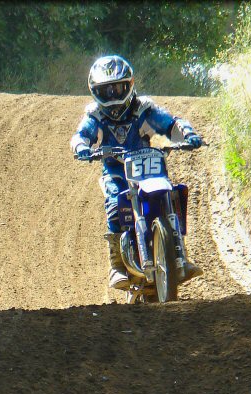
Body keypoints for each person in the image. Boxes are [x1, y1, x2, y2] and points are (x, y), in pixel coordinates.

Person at [71, 54, 204, 290]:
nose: (112, 96)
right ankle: (117, 266)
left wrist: (189, 135)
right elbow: (82, 135)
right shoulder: (95, 116)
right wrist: (82, 147)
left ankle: (179, 256)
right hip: (117, 173)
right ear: (95, 92)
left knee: (173, 194)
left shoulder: (143, 109)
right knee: (115, 205)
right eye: (106, 91)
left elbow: (170, 123)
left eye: (117, 88)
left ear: (129, 85)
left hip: (150, 169)